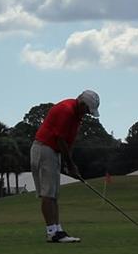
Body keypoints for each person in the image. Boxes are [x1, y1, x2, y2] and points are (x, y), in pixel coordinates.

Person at [30, 89, 100, 243]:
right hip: (44, 148)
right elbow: (60, 139)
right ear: (81, 103)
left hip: (53, 151)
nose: (88, 113)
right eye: (87, 110)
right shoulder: (66, 111)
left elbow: (69, 142)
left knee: (53, 193)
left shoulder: (76, 116)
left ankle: (57, 230)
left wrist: (70, 165)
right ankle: (52, 232)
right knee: (48, 193)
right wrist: (70, 164)